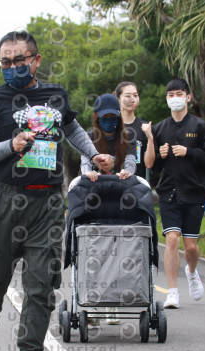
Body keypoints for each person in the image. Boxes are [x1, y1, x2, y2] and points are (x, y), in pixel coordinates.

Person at [0, 30, 111, 351]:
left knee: (41, 283)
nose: (13, 67)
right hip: (4, 198)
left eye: (19, 60)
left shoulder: (55, 95)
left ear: (35, 60)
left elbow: (72, 128)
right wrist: (11, 144)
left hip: (47, 201)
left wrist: (93, 154)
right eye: (6, 62)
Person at [144, 78, 205, 309]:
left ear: (188, 97)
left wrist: (190, 152)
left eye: (179, 94)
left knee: (190, 247)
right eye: (170, 95)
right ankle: (173, 292)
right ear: (166, 99)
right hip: (168, 193)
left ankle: (191, 272)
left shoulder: (201, 127)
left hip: (194, 193)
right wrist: (158, 151)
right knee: (171, 239)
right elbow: (152, 165)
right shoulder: (160, 129)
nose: (175, 98)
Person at [77, 93, 135, 326]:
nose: (109, 122)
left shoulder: (128, 137)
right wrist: (88, 172)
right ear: (96, 118)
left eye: (113, 117)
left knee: (119, 253)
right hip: (95, 199)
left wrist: (127, 172)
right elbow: (84, 164)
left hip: (120, 199)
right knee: (95, 254)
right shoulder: (89, 138)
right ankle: (92, 303)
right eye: (105, 118)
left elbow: (131, 163)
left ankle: (112, 304)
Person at [115, 81, 150, 180]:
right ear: (118, 99)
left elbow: (149, 164)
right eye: (127, 96)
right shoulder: (110, 127)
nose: (132, 99)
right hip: (112, 183)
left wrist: (150, 138)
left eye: (135, 95)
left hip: (136, 185)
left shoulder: (145, 127)